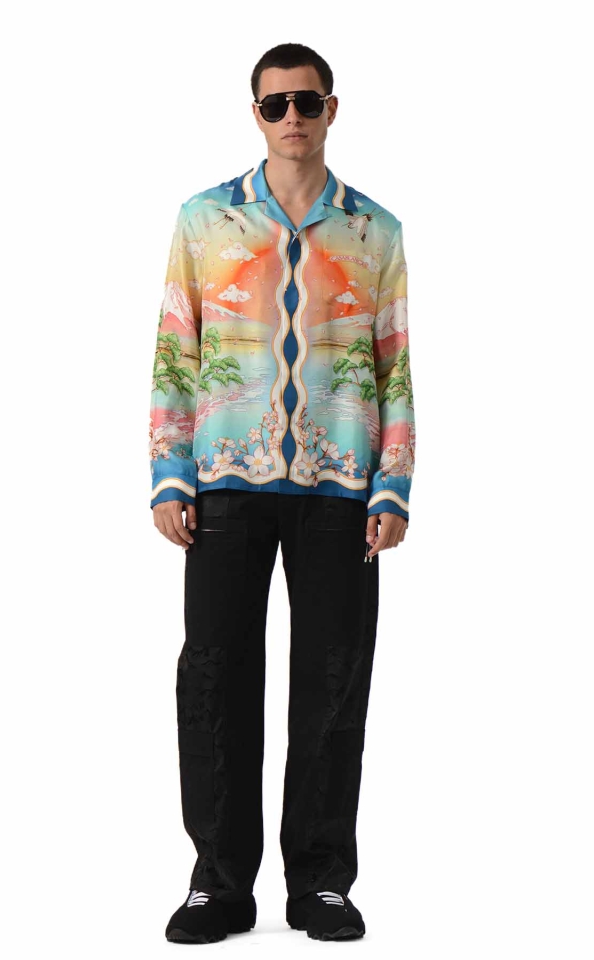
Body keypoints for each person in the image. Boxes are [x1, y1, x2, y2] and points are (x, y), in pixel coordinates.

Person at [149, 42, 415, 944]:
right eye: (275, 104)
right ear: (256, 114)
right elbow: (176, 349)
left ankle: (322, 882)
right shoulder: (204, 220)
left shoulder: (376, 231)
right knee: (214, 678)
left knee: (335, 679)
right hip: (223, 483)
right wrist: (168, 471)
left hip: (342, 486)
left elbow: (395, 363)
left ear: (331, 109)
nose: (292, 117)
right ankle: (219, 883)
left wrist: (393, 484)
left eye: (306, 102)